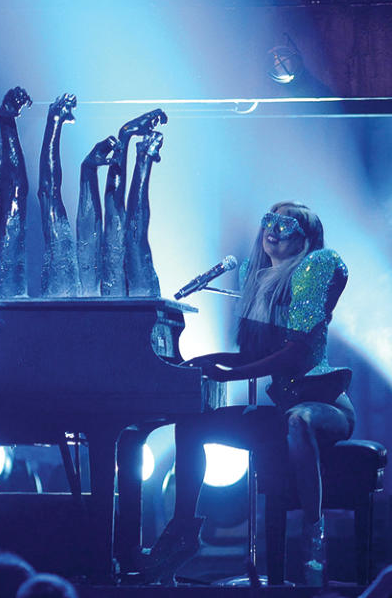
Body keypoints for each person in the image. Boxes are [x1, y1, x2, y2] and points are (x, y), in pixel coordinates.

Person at [142, 201, 352, 586]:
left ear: (306, 237)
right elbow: (257, 356)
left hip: (324, 401)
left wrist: (232, 374)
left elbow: (296, 351)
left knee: (300, 419)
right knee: (192, 427)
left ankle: (313, 536)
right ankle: (183, 529)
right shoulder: (262, 281)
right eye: (268, 220)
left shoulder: (318, 266)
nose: (273, 229)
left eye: (286, 224)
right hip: (283, 405)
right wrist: (205, 361)